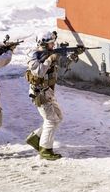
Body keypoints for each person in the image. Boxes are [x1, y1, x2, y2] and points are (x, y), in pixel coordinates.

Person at [25, 31, 83, 160]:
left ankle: (36, 138)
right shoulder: (33, 55)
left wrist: (73, 55)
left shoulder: (50, 53)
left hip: (48, 92)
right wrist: (49, 59)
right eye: (51, 43)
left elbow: (63, 65)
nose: (53, 45)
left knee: (58, 117)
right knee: (51, 120)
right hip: (39, 92)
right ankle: (45, 149)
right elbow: (39, 72)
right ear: (44, 44)